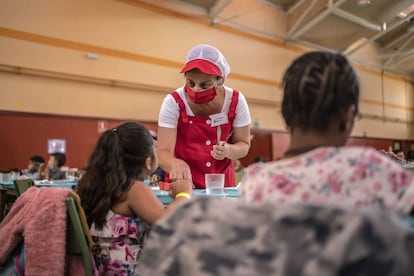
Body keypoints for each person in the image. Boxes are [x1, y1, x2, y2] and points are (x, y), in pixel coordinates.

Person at [239, 51, 414, 215]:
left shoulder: (255, 183)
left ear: (286, 113)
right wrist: (393, 168)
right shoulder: (370, 169)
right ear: (348, 117)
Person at [76, 121, 193, 275]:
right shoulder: (134, 189)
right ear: (148, 162)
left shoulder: (94, 184)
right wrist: (183, 194)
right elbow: (166, 222)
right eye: (155, 149)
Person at [157, 44, 251, 189]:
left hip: (221, 186)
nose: (196, 89)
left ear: (219, 80)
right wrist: (175, 163)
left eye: (204, 84)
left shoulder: (236, 101)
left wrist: (228, 150)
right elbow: (163, 153)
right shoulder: (173, 102)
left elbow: (244, 145)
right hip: (183, 185)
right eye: (191, 83)